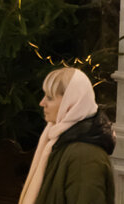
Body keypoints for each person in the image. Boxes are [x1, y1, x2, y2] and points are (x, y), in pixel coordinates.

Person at [18, 67, 114, 204]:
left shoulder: (85, 156)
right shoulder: (57, 142)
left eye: (49, 98)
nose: (42, 103)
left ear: (70, 103)